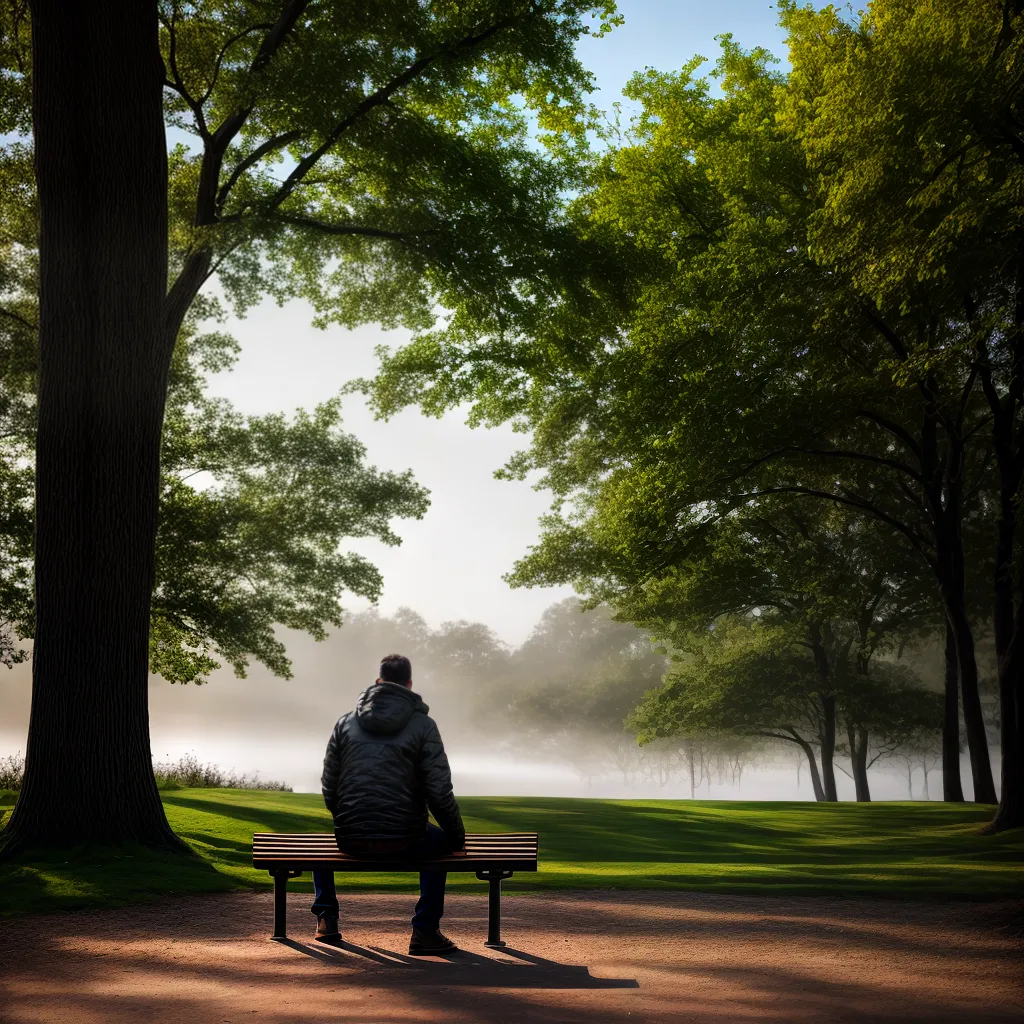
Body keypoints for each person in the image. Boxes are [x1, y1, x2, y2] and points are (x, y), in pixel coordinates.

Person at [312, 653, 466, 955]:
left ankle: (326, 918)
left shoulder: (344, 724)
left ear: (378, 682)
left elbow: (329, 785)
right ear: (409, 684)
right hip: (406, 838)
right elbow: (438, 790)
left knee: (321, 848)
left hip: (350, 837)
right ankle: (425, 931)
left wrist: (346, 818)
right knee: (441, 842)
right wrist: (456, 835)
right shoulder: (424, 726)